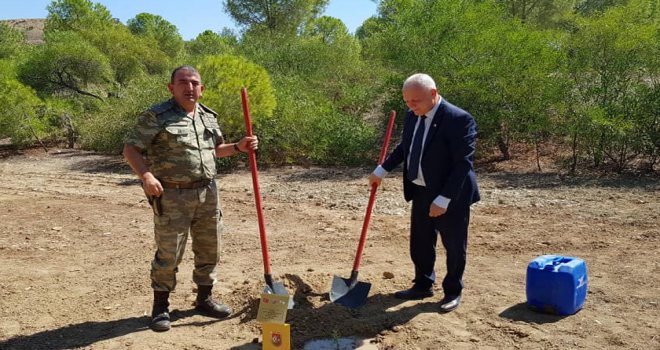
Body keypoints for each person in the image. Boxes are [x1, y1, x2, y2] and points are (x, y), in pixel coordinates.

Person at [123, 65, 258, 331]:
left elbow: (216, 150)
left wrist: (240, 147)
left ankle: (204, 299)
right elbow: (131, 149)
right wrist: (147, 176)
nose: (189, 87)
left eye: (194, 82)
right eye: (183, 82)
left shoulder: (208, 117)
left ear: (202, 88)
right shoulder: (157, 116)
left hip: (208, 192)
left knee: (210, 247)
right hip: (172, 193)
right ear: (171, 87)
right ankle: (160, 307)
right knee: (170, 252)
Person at [369, 73, 479, 313]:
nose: (411, 106)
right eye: (407, 101)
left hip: (452, 194)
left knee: (453, 245)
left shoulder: (458, 119)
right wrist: (382, 169)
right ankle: (422, 284)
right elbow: (404, 148)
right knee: (420, 241)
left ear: (433, 93)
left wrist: (444, 198)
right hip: (420, 190)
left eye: (415, 101)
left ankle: (452, 291)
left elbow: (463, 164)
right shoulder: (412, 116)